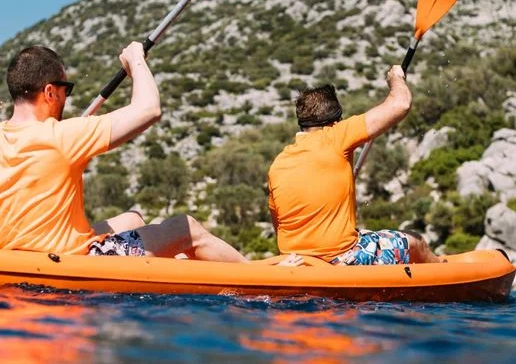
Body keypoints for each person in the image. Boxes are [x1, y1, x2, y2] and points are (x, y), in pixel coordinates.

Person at [0, 43, 302, 266]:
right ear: (51, 92)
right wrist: (136, 61)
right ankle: (256, 277)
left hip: (19, 252)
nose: (68, 97)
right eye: (67, 89)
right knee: (187, 227)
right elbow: (149, 109)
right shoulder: (63, 135)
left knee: (134, 217)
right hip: (71, 258)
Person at [268, 65, 441, 265]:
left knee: (364, 234)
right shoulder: (336, 135)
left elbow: (278, 225)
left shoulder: (278, 163)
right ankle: (444, 273)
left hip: (296, 260)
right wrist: (396, 79)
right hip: (340, 259)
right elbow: (401, 104)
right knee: (414, 242)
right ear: (336, 121)